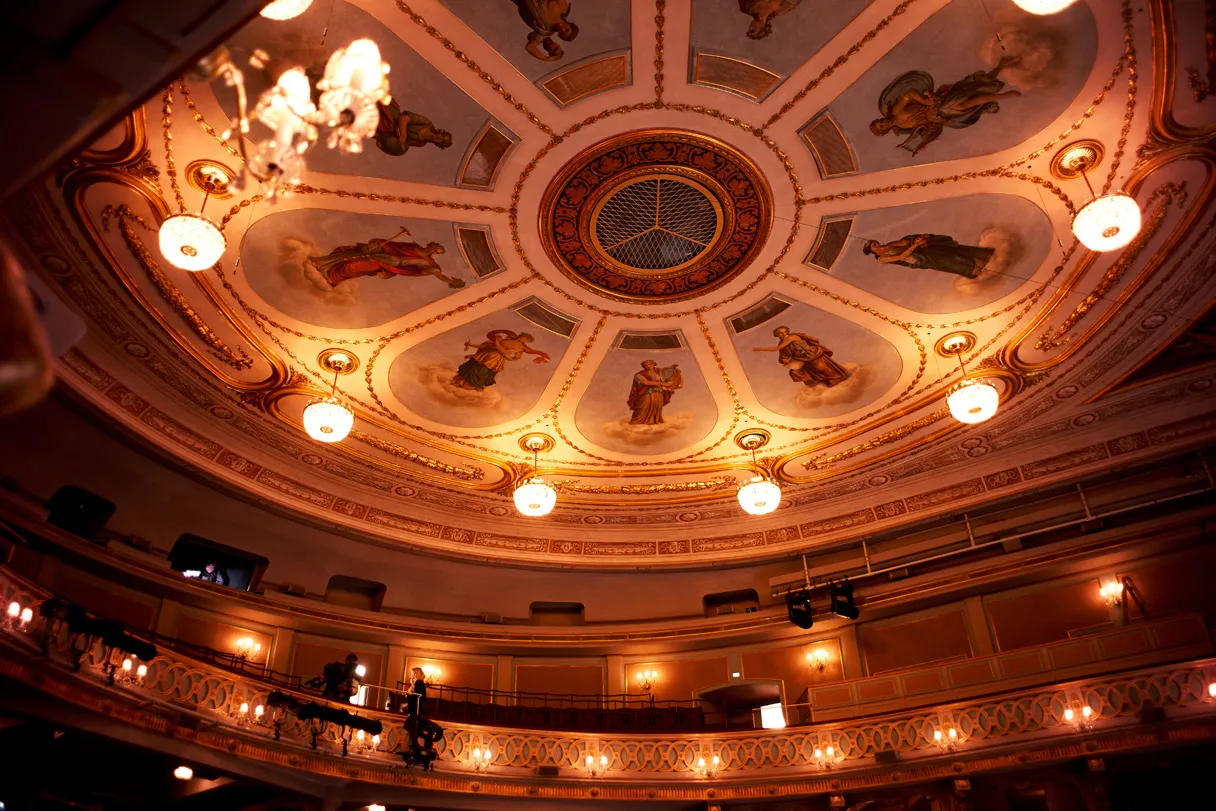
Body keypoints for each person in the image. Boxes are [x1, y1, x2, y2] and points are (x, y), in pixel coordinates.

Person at [870, 56, 1023, 155]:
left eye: (880, 121)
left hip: (938, 103)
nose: (883, 122)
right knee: (970, 95)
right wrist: (925, 141)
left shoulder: (896, 112)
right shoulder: (904, 129)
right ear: (886, 131)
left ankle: (1001, 74)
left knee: (973, 86)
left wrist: (925, 101)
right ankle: (1000, 87)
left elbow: (909, 93)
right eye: (882, 126)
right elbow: (926, 126)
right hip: (940, 114)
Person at [307, 232, 464, 289]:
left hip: (390, 262)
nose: (431, 250)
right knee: (348, 252)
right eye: (433, 247)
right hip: (385, 252)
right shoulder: (413, 246)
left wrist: (451, 281)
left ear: (436, 254)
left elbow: (438, 274)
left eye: (435, 251)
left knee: (354, 266)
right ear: (430, 245)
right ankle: (321, 262)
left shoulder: (429, 263)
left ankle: (331, 278)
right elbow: (395, 245)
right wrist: (379, 243)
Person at [862, 234, 994, 279]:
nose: (877, 245)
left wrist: (917, 240)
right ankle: (973, 269)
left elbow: (904, 242)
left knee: (948, 253)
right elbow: (901, 257)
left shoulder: (889, 245)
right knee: (946, 262)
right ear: (872, 251)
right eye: (874, 245)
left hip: (921, 252)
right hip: (919, 259)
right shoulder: (881, 258)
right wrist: (914, 246)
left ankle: (978, 259)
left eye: (875, 242)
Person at [452, 330, 551, 391]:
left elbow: (503, 351)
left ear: (526, 341)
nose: (522, 339)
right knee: (472, 367)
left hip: (495, 359)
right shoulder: (507, 340)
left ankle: (471, 386)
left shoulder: (519, 347)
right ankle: (462, 383)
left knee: (481, 371)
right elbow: (487, 346)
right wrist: (471, 345)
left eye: (525, 339)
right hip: (486, 354)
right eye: (522, 336)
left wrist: (498, 342)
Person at [753, 326, 848, 388]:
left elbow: (778, 348)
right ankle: (816, 381)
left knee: (821, 367)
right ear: (777, 335)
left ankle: (834, 378)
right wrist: (785, 360)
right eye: (781, 333)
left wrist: (761, 349)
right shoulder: (782, 342)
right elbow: (784, 354)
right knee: (795, 372)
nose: (784, 334)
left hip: (811, 354)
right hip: (802, 359)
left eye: (785, 331)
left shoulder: (791, 337)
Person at [373, 100, 454, 157]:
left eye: (441, 140)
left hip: (393, 132)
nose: (439, 137)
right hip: (394, 118)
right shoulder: (426, 123)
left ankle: (382, 142)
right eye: (442, 136)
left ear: (438, 144)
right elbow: (403, 119)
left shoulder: (421, 143)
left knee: (403, 149)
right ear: (441, 133)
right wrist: (403, 134)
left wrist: (400, 137)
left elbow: (404, 142)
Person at [626, 360, 682, 425]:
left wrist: (668, 386)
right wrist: (662, 383)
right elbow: (645, 382)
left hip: (658, 394)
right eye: (645, 365)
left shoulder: (659, 373)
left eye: (649, 364)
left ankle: (653, 423)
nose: (647, 366)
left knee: (656, 409)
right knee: (642, 409)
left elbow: (667, 379)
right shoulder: (639, 375)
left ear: (654, 364)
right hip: (646, 394)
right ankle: (635, 424)